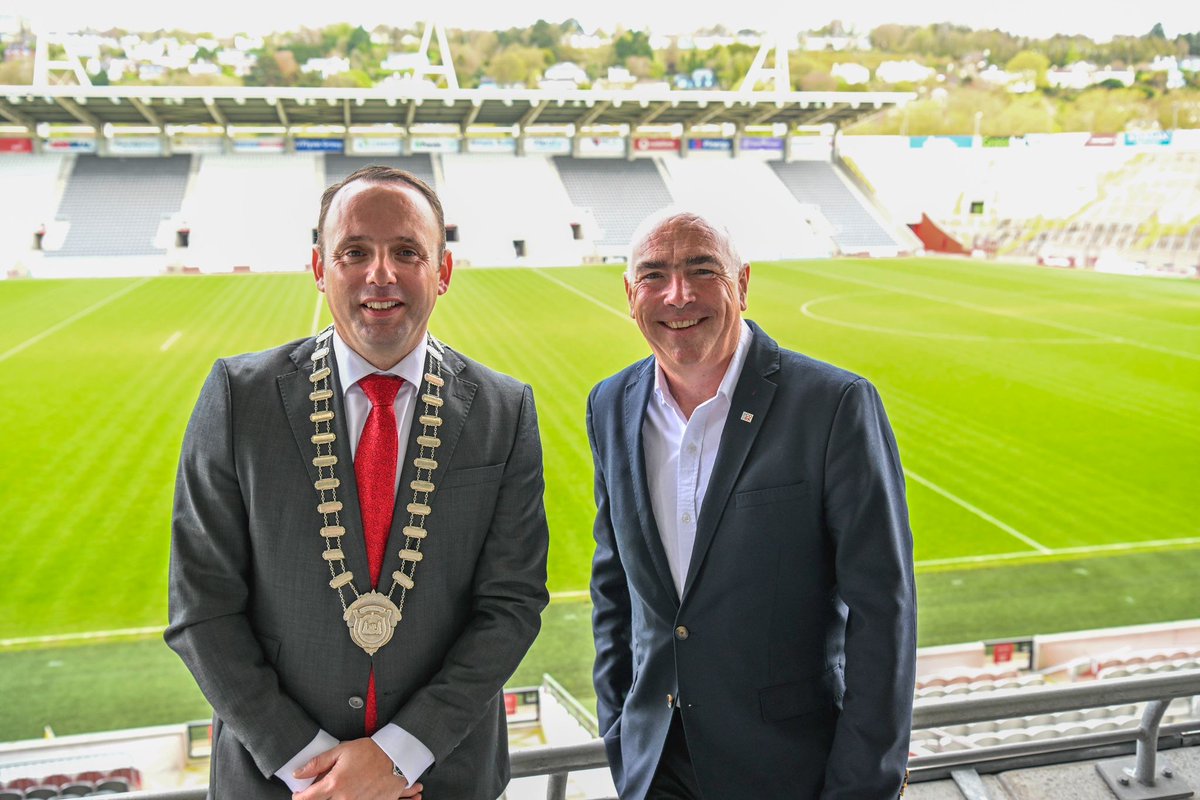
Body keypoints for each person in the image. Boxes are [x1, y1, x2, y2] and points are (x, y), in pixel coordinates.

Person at [166, 166, 549, 800]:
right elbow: (201, 611)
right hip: (280, 783)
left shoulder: (504, 411)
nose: (380, 274)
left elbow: (511, 605)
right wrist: (313, 767)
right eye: (354, 252)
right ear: (319, 268)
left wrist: (399, 757)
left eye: (406, 252)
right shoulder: (240, 397)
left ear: (443, 271)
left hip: (443, 777)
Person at [588, 209, 916, 799]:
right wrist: (620, 731)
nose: (678, 294)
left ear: (742, 283)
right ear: (629, 293)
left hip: (789, 771)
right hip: (655, 766)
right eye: (654, 275)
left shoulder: (833, 405)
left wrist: (862, 787)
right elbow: (614, 587)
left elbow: (884, 613)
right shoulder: (611, 404)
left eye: (701, 269)